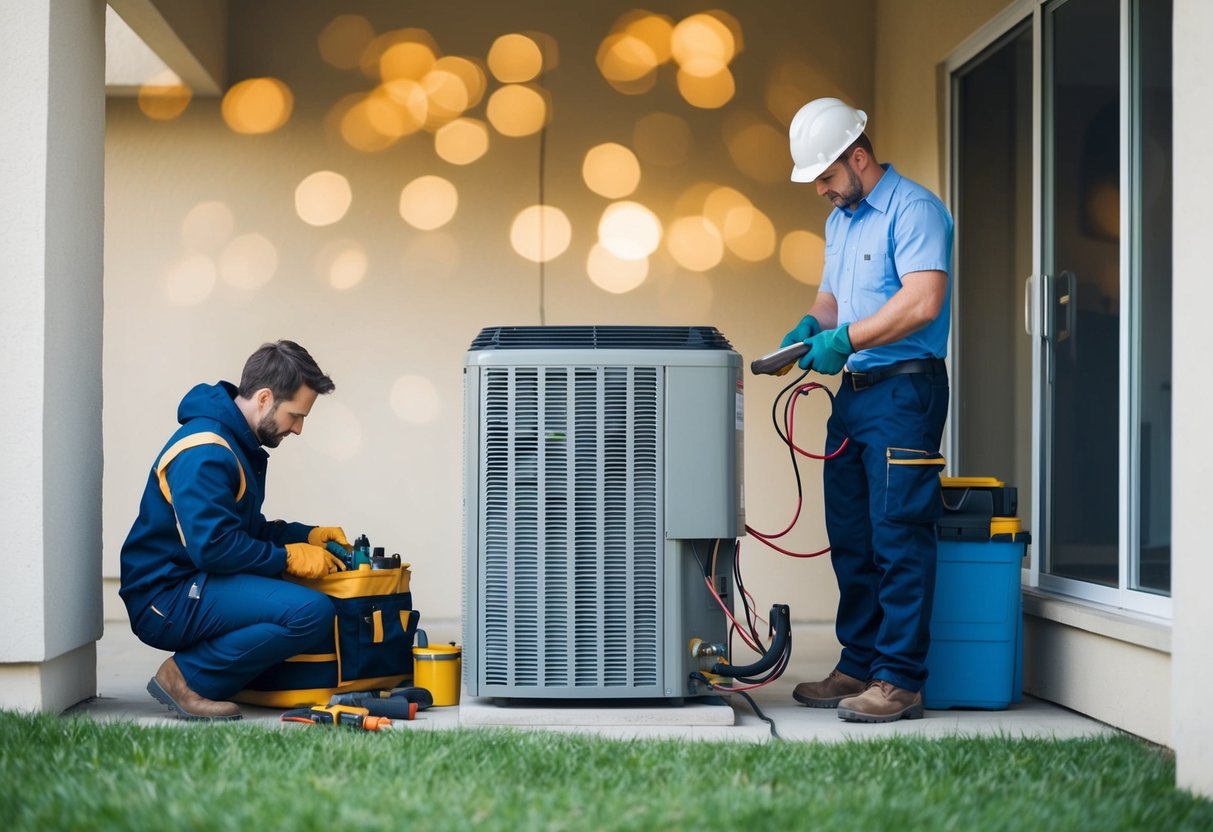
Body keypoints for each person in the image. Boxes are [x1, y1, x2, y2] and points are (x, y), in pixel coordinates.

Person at [781, 98, 953, 722]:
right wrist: (811, 329)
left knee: (898, 534)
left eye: (826, 177)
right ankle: (859, 663)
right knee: (851, 535)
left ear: (858, 157)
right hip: (854, 395)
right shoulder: (843, 221)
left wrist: (846, 340)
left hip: (906, 392)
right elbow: (833, 300)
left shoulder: (915, 210)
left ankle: (900, 681)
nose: (822, 191)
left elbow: (922, 302)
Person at [120, 340, 351, 721]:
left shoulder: (233, 441)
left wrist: (303, 536)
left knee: (299, 600)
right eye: (295, 415)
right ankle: (184, 678)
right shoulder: (206, 449)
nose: (298, 428)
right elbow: (215, 547)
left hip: (192, 581)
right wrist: (288, 557)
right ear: (264, 398)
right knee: (309, 611)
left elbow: (243, 529)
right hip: (164, 597)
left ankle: (219, 673)